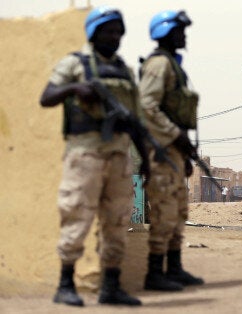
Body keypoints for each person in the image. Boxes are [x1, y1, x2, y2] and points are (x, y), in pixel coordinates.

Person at [39, 6, 141, 306]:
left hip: (120, 156)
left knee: (117, 221)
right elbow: (46, 97)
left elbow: (134, 118)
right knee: (76, 216)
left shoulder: (125, 70)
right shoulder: (74, 63)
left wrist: (145, 158)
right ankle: (65, 283)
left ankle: (110, 286)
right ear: (94, 33)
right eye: (108, 31)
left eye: (118, 32)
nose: (115, 37)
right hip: (85, 155)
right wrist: (74, 88)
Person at [139, 9, 203, 291]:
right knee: (164, 211)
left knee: (178, 211)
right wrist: (176, 136)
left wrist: (185, 153)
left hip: (175, 151)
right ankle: (155, 273)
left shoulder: (174, 66)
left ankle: (174, 268)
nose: (184, 35)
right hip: (161, 150)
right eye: (179, 31)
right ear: (165, 33)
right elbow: (147, 106)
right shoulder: (158, 65)